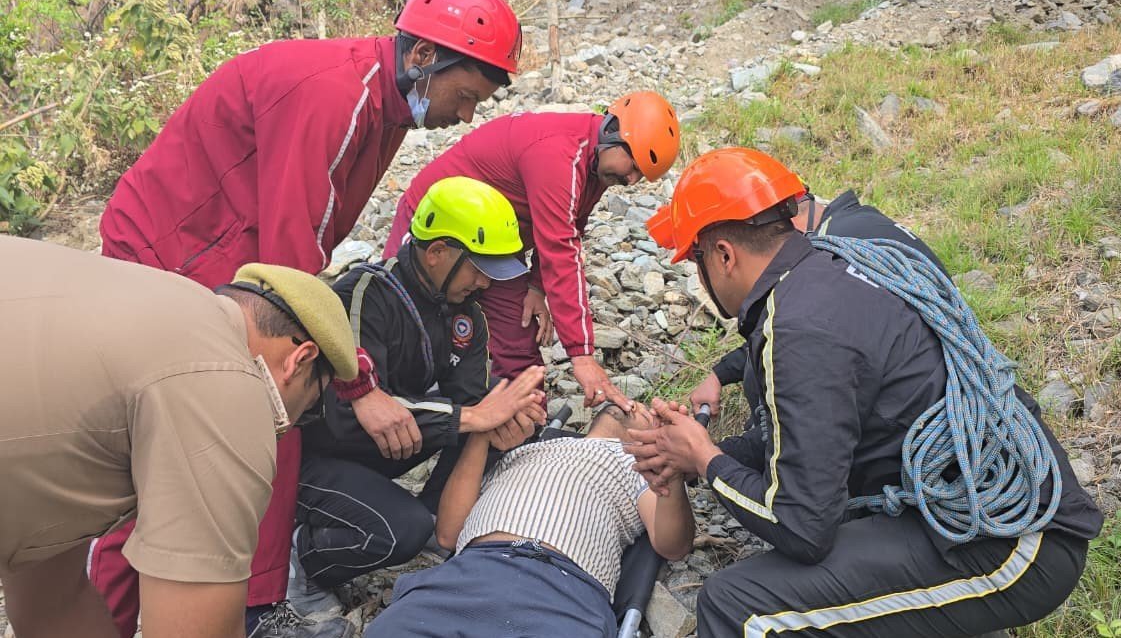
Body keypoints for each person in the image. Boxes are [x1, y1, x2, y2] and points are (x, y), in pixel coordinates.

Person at [91, 0, 522, 638]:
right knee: (169, 453)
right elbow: (292, 271)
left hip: (234, 259)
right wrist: (360, 387)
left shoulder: (385, 108)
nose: (465, 116)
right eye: (464, 96)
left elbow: (307, 245)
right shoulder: (335, 96)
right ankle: (104, 611)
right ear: (422, 58)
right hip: (170, 259)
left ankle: (255, 604)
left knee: (272, 426)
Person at [629, 148, 1103, 637]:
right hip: (985, 512)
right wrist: (691, 453)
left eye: (696, 260)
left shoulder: (799, 327)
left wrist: (707, 459)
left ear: (724, 255)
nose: (700, 276)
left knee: (737, 605)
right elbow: (793, 437)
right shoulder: (828, 271)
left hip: (1014, 541)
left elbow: (801, 527)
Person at [0, 235, 357, 638]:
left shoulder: (148, 308)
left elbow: (54, 603)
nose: (290, 428)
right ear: (300, 360)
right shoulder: (224, 383)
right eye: (310, 408)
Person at [263, 177, 548, 637]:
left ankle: (437, 520)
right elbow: (344, 414)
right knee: (399, 530)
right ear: (436, 252)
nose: (484, 282)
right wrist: (472, 417)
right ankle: (301, 556)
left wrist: (508, 419)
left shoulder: (466, 314)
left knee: (495, 408)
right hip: (319, 453)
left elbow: (470, 401)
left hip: (386, 447)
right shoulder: (365, 293)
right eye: (479, 268)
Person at [383, 91, 682, 413]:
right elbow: (561, 250)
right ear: (613, 131)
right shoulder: (559, 154)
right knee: (404, 322)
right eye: (634, 166)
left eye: (640, 176)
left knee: (519, 339)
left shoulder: (597, 164)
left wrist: (537, 287)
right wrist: (581, 355)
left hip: (495, 242)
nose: (631, 180)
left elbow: (571, 224)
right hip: (437, 226)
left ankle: (526, 428)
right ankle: (393, 411)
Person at [363, 400, 695, 638]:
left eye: (646, 411)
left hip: (559, 589)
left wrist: (670, 471)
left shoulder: (640, 465)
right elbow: (449, 534)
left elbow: (672, 545)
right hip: (466, 575)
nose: (634, 405)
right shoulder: (525, 450)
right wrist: (481, 437)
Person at [664, 185, 949, 416]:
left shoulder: (833, 260)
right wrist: (721, 373)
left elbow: (800, 339)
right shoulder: (857, 225)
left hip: (911, 417)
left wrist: (705, 457)